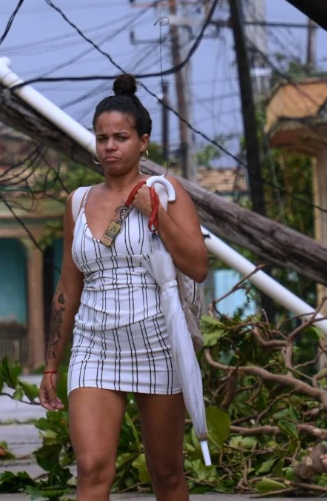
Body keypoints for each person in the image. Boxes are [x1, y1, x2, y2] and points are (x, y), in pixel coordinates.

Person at [39, 74, 208, 501]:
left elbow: (198, 266)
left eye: (121, 137)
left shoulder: (166, 192)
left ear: (142, 142)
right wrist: (51, 363)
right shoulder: (78, 202)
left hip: (157, 342)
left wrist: (156, 213)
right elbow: (68, 286)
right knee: (92, 468)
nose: (110, 147)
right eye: (102, 138)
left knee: (166, 473)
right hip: (94, 346)